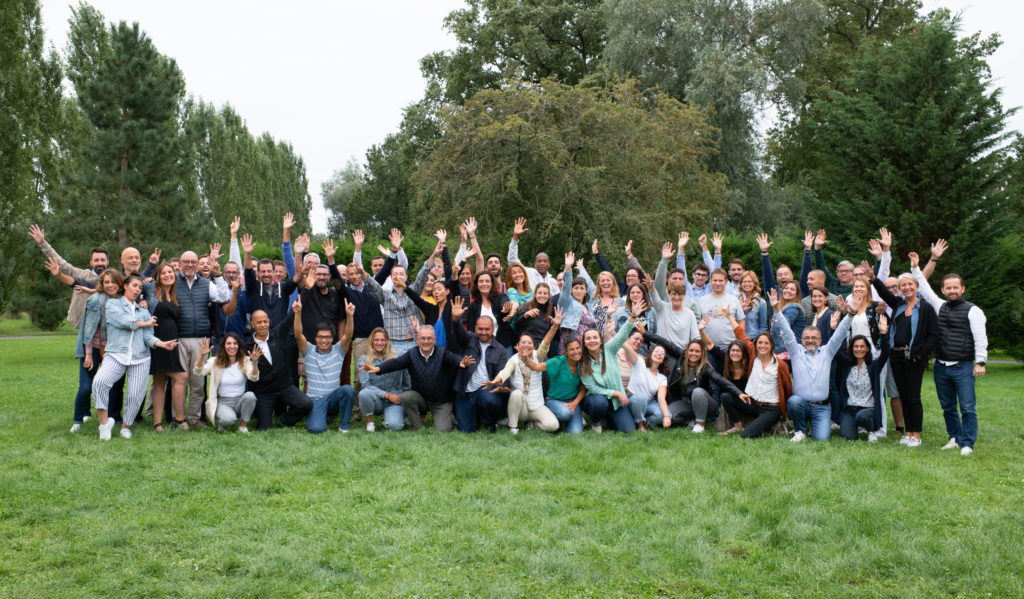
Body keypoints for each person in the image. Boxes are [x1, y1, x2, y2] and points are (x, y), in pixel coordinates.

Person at [910, 249, 987, 456]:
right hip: (941, 366)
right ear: (943, 290)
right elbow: (924, 289)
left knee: (967, 407)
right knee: (948, 407)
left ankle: (968, 443)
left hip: (963, 367)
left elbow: (980, 337)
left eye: (956, 287)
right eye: (948, 288)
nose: (952, 291)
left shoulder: (973, 310)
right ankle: (954, 438)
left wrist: (980, 362)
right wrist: (916, 268)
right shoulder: (940, 306)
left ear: (962, 289)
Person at [92, 275, 178, 440]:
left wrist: (162, 344)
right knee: (100, 382)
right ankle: (104, 424)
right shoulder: (113, 304)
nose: (138, 289)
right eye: (134, 286)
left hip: (140, 357)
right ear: (125, 286)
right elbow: (124, 322)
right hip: (116, 354)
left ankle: (126, 427)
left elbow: (148, 337)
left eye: (140, 287)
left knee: (135, 394)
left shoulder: (144, 311)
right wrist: (145, 323)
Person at [773, 287, 856, 442]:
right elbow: (785, 329)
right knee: (794, 401)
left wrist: (851, 314)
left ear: (820, 340)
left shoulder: (827, 352)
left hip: (822, 407)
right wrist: (777, 311)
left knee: (822, 439)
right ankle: (800, 430)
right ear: (801, 340)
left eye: (814, 338)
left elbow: (839, 334)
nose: (810, 340)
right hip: (801, 404)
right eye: (807, 338)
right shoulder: (796, 351)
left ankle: (814, 428)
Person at [360, 325, 476, 432]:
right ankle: (417, 426)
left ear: (434, 340)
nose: (426, 341)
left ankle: (445, 417)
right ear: (417, 340)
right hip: (421, 399)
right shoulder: (412, 354)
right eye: (423, 338)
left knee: (443, 430)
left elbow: (453, 358)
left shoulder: (442, 352)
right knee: (407, 396)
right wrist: (378, 368)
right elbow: (395, 363)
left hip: (440, 402)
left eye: (429, 338)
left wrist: (460, 363)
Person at [870, 270, 938, 447]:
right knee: (903, 395)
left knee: (913, 396)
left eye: (910, 284)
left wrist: (920, 353)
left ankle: (916, 435)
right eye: (903, 286)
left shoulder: (925, 308)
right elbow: (885, 293)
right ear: (899, 289)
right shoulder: (899, 304)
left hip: (914, 358)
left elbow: (933, 336)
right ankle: (908, 433)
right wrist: (873, 279)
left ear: (916, 286)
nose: (907, 288)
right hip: (897, 356)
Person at [643, 323, 747, 433]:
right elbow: (664, 342)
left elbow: (721, 380)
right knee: (669, 416)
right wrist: (645, 333)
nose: (694, 354)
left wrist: (738, 393)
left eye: (697, 351)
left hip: (706, 404)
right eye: (691, 350)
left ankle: (699, 424)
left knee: (697, 392)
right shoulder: (682, 357)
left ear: (702, 353)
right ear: (687, 351)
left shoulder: (706, 368)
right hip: (685, 402)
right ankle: (689, 420)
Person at [176, 246, 234, 428]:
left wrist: (217, 276)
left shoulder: (206, 283)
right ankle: (178, 418)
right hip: (179, 338)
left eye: (193, 262)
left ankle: (194, 418)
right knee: (180, 381)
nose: (190, 265)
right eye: (186, 262)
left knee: (198, 382)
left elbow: (224, 296)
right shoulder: (173, 282)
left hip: (201, 339)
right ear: (180, 264)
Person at [482, 309, 565, 434]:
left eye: (529, 342)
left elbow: (546, 342)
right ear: (517, 345)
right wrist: (496, 380)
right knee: (516, 394)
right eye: (523, 342)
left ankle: (532, 425)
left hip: (537, 406)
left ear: (534, 345)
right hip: (521, 408)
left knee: (553, 426)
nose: (526, 345)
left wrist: (554, 326)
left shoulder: (538, 356)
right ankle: (513, 427)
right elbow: (505, 371)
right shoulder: (514, 359)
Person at [716, 308, 792, 438]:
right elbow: (741, 335)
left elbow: (788, 389)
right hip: (753, 403)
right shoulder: (753, 355)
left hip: (771, 409)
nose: (762, 346)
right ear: (756, 344)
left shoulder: (780, 365)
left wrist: (785, 413)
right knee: (726, 396)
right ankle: (738, 426)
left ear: (771, 346)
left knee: (746, 435)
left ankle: (773, 424)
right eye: (760, 343)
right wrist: (729, 316)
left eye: (766, 343)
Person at [67, 269, 124, 432]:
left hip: (113, 351)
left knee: (113, 387)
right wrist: (89, 355)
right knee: (86, 387)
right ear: (102, 284)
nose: (110, 285)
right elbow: (89, 330)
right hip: (92, 348)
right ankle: (78, 420)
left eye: (113, 282)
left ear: (119, 283)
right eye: (106, 282)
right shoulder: (95, 300)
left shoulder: (123, 301)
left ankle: (113, 417)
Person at [579, 299, 648, 433]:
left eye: (595, 338)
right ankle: (595, 421)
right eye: (588, 338)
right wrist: (616, 393)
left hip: (616, 401)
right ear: (585, 343)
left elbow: (622, 336)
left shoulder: (609, 349)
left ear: (600, 341)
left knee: (628, 430)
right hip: (596, 399)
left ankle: (609, 419)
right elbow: (593, 387)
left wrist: (633, 316)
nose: (592, 341)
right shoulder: (583, 362)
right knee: (600, 403)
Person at [293, 299, 356, 434]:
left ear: (332, 338)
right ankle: (320, 416)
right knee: (317, 429)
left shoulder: (338, 350)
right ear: (315, 338)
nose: (324, 340)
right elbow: (298, 334)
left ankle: (344, 426)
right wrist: (298, 314)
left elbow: (348, 335)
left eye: (327, 337)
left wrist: (349, 316)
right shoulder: (308, 350)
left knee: (348, 390)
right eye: (320, 337)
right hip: (315, 399)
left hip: (333, 398)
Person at [522, 330, 600, 435]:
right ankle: (547, 419)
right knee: (564, 413)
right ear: (566, 352)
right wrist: (526, 358)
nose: (576, 351)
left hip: (572, 402)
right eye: (572, 349)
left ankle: (571, 420)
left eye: (578, 348)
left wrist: (575, 403)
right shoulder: (557, 362)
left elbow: (583, 388)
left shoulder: (582, 364)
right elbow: (536, 367)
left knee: (575, 433)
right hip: (554, 400)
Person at [30, 224, 109, 326]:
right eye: (96, 260)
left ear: (107, 261)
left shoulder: (114, 279)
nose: (100, 263)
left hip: (107, 326)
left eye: (102, 260)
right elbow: (61, 263)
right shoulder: (81, 274)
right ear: (91, 262)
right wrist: (43, 244)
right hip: (84, 324)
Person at [247, 309, 313, 430]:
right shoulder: (247, 346)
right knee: (264, 428)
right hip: (264, 392)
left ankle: (285, 420)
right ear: (252, 324)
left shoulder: (277, 333)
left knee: (306, 404)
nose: (263, 325)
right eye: (259, 322)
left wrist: (305, 293)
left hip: (285, 387)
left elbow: (289, 318)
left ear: (269, 322)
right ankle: (263, 416)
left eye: (265, 322)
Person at [449, 307, 508, 433]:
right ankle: (475, 416)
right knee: (466, 430)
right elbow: (458, 332)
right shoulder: (469, 339)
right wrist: (456, 319)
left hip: (485, 390)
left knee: (492, 400)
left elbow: (503, 372)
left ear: (493, 329)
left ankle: (490, 422)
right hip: (466, 393)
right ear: (475, 329)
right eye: (480, 329)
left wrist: (502, 386)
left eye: (487, 329)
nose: (484, 332)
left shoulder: (500, 350)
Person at [147, 263, 188, 431]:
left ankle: (158, 424)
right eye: (163, 273)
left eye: (170, 272)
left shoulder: (172, 294)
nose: (167, 275)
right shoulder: (151, 290)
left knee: (160, 380)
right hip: (158, 340)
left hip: (172, 341)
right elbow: (131, 286)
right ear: (157, 276)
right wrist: (147, 275)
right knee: (181, 377)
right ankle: (180, 419)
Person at [836, 319, 891, 441]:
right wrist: (834, 329)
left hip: (867, 409)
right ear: (851, 348)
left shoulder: (874, 365)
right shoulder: (847, 365)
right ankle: (853, 425)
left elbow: (886, 352)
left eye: (862, 346)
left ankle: (872, 430)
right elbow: (836, 350)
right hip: (849, 409)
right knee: (848, 437)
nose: (859, 349)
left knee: (862, 416)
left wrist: (883, 333)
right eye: (856, 346)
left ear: (867, 349)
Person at [193, 333, 260, 432]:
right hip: (223, 402)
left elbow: (254, 378)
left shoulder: (244, 361)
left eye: (235, 343)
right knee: (229, 419)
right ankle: (223, 425)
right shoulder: (215, 362)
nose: (232, 346)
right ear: (224, 346)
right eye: (228, 343)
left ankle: (242, 426)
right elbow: (198, 372)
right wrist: (202, 356)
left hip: (240, 401)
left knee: (250, 396)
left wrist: (254, 363)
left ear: (239, 346)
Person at [356, 328, 412, 432]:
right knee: (364, 393)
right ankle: (370, 424)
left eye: (382, 340)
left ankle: (398, 416)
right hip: (376, 399)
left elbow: (407, 379)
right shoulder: (364, 360)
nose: (379, 343)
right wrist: (387, 395)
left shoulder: (397, 356)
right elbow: (366, 386)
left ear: (387, 341)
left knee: (395, 426)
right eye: (376, 340)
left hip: (395, 399)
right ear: (371, 341)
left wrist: (404, 396)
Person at [619, 331, 670, 430]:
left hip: (648, 403)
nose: (659, 354)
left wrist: (667, 416)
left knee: (665, 415)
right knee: (640, 397)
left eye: (662, 353)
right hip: (633, 399)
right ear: (650, 354)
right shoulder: (639, 362)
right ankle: (640, 425)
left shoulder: (662, 378)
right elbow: (627, 347)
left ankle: (648, 423)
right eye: (656, 351)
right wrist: (613, 332)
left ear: (664, 359)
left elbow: (661, 398)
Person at [462, 271, 517, 349]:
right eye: (481, 281)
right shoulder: (472, 306)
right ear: (477, 285)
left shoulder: (501, 297)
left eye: (487, 281)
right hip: (481, 347)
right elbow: (471, 330)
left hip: (504, 344)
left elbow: (504, 303)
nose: (484, 284)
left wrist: (505, 308)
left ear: (492, 284)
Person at [556, 251, 597, 355]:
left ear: (586, 291)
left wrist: (581, 268)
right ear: (571, 290)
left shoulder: (589, 306)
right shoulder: (567, 302)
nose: (579, 291)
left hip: (587, 346)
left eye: (582, 288)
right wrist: (568, 268)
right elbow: (566, 287)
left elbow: (591, 285)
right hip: (570, 344)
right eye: (576, 288)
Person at [507, 218, 560, 292]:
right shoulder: (528, 273)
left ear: (549, 264)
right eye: (539, 261)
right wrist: (515, 237)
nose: (542, 263)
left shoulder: (553, 282)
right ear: (535, 264)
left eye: (545, 261)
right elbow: (512, 261)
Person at [768, 280, 804, 360]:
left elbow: (784, 323)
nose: (788, 291)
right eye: (786, 288)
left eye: (792, 289)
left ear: (797, 294)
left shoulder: (794, 308)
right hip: (778, 349)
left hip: (787, 352)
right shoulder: (782, 308)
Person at [514, 282, 556, 347]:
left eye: (545, 293)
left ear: (548, 295)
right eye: (539, 293)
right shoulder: (527, 306)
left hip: (541, 347)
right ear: (535, 294)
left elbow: (548, 334)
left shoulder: (549, 311)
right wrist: (525, 315)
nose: (542, 295)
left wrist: (554, 324)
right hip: (526, 344)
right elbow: (517, 325)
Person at [737, 270, 768, 339]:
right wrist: (740, 310)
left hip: (753, 340)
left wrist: (757, 341)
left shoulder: (761, 303)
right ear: (741, 284)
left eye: (750, 281)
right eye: (744, 282)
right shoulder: (735, 300)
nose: (747, 284)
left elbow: (763, 327)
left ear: (754, 283)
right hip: (737, 341)